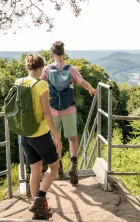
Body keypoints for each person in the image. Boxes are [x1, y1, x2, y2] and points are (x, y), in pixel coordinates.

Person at [40, 41, 97, 185]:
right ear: (63, 54)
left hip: (52, 111)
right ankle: (73, 166)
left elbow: (39, 85)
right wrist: (91, 89)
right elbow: (82, 82)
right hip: (69, 109)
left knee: (56, 139)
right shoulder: (71, 69)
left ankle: (59, 167)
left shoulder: (47, 70)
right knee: (72, 139)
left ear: (52, 54)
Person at [15, 54, 62, 219]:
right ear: (41, 68)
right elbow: (47, 113)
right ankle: (39, 200)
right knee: (54, 166)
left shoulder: (18, 82)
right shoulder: (42, 84)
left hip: (24, 134)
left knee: (35, 171)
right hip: (40, 134)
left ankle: (37, 210)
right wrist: (56, 136)